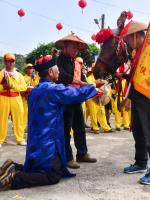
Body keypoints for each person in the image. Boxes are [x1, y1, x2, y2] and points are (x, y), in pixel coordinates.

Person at [0, 57, 98, 194]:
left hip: (36, 139)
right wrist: (93, 86)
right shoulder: (53, 89)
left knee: (39, 167)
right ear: (51, 73)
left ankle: (13, 167)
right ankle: (15, 177)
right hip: (49, 142)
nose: (59, 73)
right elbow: (76, 94)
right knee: (52, 175)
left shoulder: (36, 89)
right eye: (57, 71)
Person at [116, 21, 150, 185]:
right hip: (137, 96)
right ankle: (141, 162)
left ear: (137, 36)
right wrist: (124, 77)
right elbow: (136, 75)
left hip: (147, 96)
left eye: (129, 38)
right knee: (138, 131)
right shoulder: (137, 53)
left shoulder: (149, 50)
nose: (127, 42)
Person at [55, 33, 99, 169]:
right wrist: (78, 82)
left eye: (77, 48)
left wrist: (93, 86)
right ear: (65, 46)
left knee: (80, 127)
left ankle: (82, 153)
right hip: (65, 99)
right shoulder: (58, 60)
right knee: (65, 129)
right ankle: (68, 157)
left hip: (76, 99)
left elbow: (83, 80)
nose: (76, 50)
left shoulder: (76, 63)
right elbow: (60, 76)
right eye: (74, 47)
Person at [0, 53, 27, 148]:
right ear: (4, 61)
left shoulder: (19, 75)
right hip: (3, 98)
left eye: (12, 61)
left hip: (16, 98)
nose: (11, 63)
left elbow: (24, 87)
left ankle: (20, 138)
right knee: (1, 119)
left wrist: (13, 86)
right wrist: (3, 86)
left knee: (19, 119)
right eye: (9, 61)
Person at [22, 63, 40, 131]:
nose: (30, 69)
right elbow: (23, 87)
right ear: (26, 69)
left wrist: (34, 79)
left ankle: (32, 127)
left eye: (31, 68)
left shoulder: (36, 77)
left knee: (34, 113)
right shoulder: (23, 78)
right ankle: (23, 128)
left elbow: (37, 86)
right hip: (25, 98)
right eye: (29, 68)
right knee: (24, 113)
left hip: (34, 97)